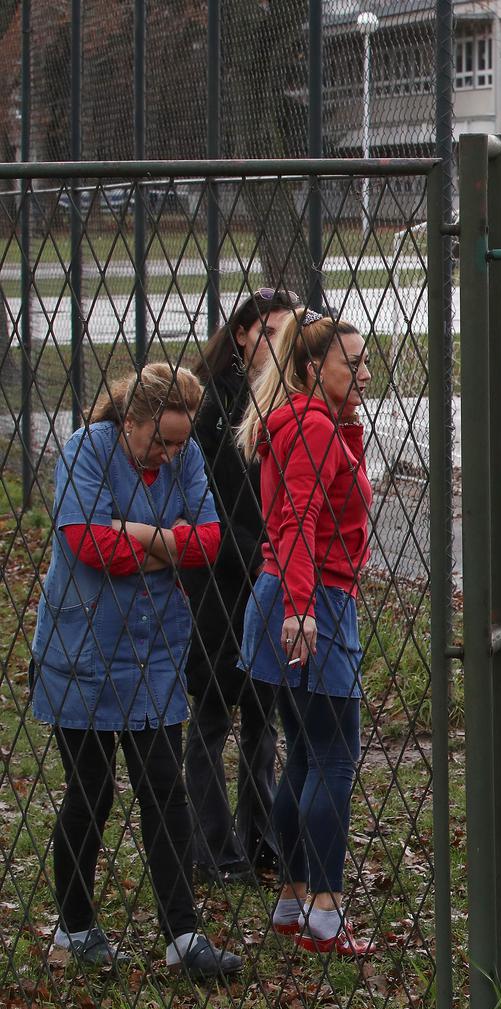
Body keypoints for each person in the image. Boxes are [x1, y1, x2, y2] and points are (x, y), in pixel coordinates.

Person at [31, 361, 245, 979]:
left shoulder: (186, 455)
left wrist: (138, 532)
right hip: (84, 651)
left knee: (165, 790)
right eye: (161, 441)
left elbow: (209, 540)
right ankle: (75, 928)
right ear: (131, 421)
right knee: (91, 792)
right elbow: (89, 545)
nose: (170, 454)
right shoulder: (87, 450)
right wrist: (167, 543)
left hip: (154, 652)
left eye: (179, 443)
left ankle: (183, 937)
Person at [237, 310, 376, 957]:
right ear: (313, 367)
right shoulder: (314, 426)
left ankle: (294, 901)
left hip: (294, 595)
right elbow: (297, 519)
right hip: (311, 600)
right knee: (333, 757)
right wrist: (301, 610)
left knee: (304, 752)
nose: (365, 372)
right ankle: (325, 909)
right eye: (354, 362)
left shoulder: (305, 420)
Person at [183, 286, 301, 885]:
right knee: (211, 715)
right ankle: (212, 848)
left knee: (262, 715)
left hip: (269, 577)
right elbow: (204, 503)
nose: (278, 344)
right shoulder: (213, 405)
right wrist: (254, 555)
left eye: (287, 333)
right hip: (217, 580)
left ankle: (262, 840)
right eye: (269, 332)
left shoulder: (287, 403)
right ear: (241, 334)